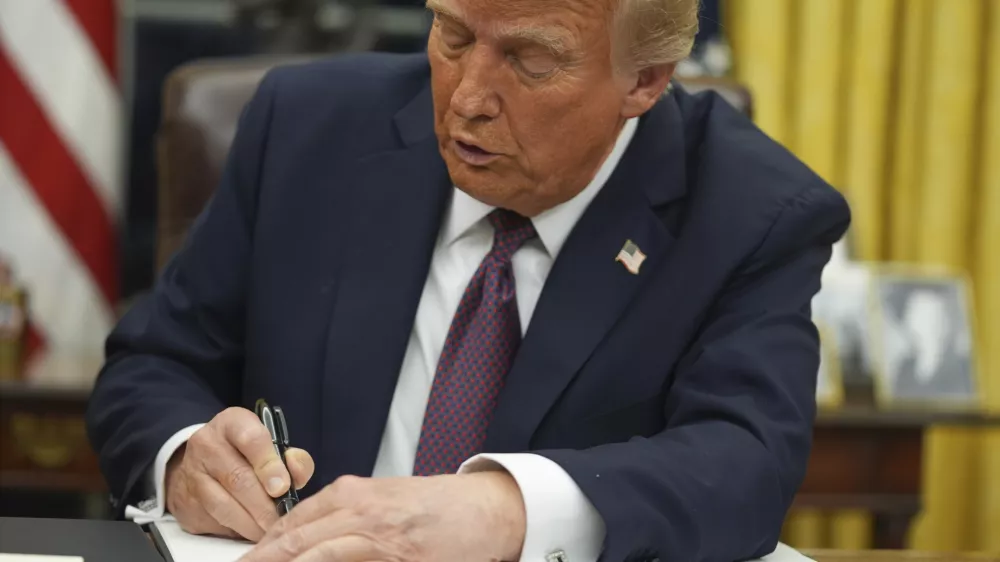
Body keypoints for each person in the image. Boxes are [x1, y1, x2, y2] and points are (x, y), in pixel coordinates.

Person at [85, 0, 851, 560]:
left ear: (645, 82)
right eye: (452, 35)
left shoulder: (752, 213)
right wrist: (186, 457)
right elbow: (154, 364)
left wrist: (503, 509)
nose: (466, 99)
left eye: (530, 60)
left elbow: (744, 462)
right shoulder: (306, 128)